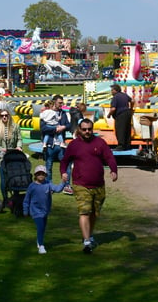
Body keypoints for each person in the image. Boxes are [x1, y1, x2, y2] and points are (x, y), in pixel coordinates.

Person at [59, 118, 118, 254]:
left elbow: (109, 157)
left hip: (98, 185)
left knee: (94, 213)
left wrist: (114, 170)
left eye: (89, 129)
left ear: (92, 129)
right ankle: (86, 242)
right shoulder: (74, 145)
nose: (87, 132)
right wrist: (63, 172)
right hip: (81, 184)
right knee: (84, 211)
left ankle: (89, 235)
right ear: (79, 129)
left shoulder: (100, 143)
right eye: (84, 129)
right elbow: (65, 161)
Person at [23, 165, 65, 254]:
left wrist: (63, 182)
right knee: (40, 227)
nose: (41, 176)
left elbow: (57, 189)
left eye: (43, 174)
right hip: (35, 211)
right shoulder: (32, 186)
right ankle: (41, 246)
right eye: (39, 174)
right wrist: (25, 210)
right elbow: (26, 200)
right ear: (35, 175)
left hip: (45, 210)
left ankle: (39, 240)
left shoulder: (48, 184)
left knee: (43, 228)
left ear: (45, 175)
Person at [40, 95, 71, 191]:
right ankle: (50, 185)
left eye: (62, 102)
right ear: (54, 102)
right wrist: (55, 129)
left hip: (60, 144)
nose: (62, 104)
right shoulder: (46, 113)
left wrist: (64, 127)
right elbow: (43, 128)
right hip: (50, 144)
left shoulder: (63, 113)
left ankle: (66, 185)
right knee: (48, 166)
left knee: (66, 165)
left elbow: (69, 125)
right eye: (60, 103)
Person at [107, 84, 133, 151]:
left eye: (112, 90)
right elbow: (132, 101)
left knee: (120, 130)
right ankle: (127, 145)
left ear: (115, 90)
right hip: (128, 113)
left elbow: (113, 109)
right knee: (127, 129)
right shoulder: (124, 95)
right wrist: (131, 108)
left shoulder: (115, 97)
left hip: (120, 114)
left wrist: (109, 115)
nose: (111, 92)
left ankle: (121, 146)